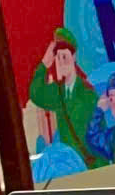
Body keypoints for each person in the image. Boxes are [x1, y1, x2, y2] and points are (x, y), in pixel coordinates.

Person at [28, 28, 101, 165]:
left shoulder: (87, 93)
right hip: (70, 165)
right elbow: (35, 93)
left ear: (74, 57)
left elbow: (97, 138)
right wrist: (44, 64)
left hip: (90, 165)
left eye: (65, 57)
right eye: (58, 57)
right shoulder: (58, 91)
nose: (61, 62)